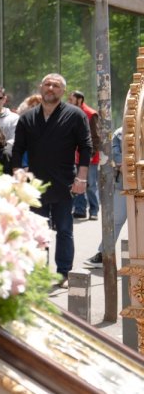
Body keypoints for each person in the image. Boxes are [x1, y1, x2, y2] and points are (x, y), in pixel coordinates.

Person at [11, 73, 92, 288]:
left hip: (64, 182)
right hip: (35, 184)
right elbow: (18, 148)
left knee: (64, 230)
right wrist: (18, 174)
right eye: (47, 84)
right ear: (41, 87)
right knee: (38, 232)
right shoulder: (27, 117)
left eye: (56, 85)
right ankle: (39, 274)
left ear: (63, 91)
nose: (50, 88)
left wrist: (82, 177)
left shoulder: (75, 115)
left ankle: (63, 273)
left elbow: (85, 147)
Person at [87, 125, 126, 266]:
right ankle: (104, 254)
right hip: (124, 185)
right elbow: (114, 153)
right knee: (115, 220)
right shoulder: (120, 132)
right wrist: (126, 166)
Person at [68, 90, 101, 220]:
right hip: (76, 156)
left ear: (79, 100)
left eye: (71, 99)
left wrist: (91, 154)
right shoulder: (71, 113)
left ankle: (94, 210)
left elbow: (96, 136)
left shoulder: (91, 114)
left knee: (91, 185)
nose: (69, 102)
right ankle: (80, 210)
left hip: (90, 157)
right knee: (77, 182)